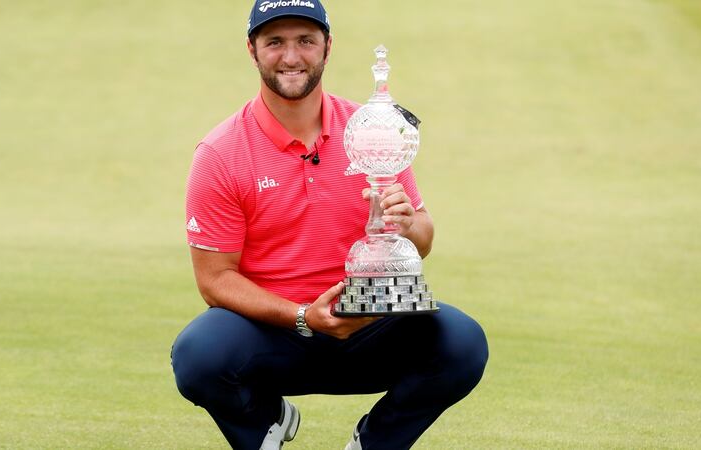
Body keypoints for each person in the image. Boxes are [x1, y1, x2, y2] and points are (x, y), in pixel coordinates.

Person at [171, 1, 489, 448]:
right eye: (275, 42)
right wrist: (304, 316)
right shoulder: (221, 152)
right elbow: (214, 280)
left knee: (462, 343)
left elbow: (424, 235)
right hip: (275, 332)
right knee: (199, 355)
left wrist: (405, 224)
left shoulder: (372, 129)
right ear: (252, 49)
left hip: (371, 322)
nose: (291, 57)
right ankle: (265, 424)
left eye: (305, 41)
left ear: (327, 48)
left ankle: (374, 443)